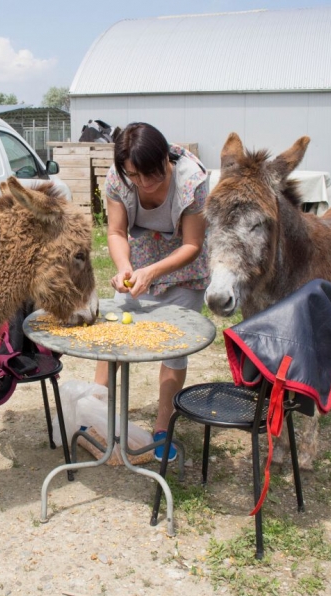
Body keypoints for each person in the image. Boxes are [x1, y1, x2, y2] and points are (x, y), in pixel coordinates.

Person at [94, 122, 210, 462]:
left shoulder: (193, 181)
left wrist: (155, 271)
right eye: (135, 176)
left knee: (173, 347)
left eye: (153, 175)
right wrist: (124, 268)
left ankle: (163, 427)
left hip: (184, 272)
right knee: (113, 337)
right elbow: (115, 232)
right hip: (140, 265)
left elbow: (192, 244)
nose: (144, 183)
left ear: (166, 159)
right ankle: (95, 413)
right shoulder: (118, 178)